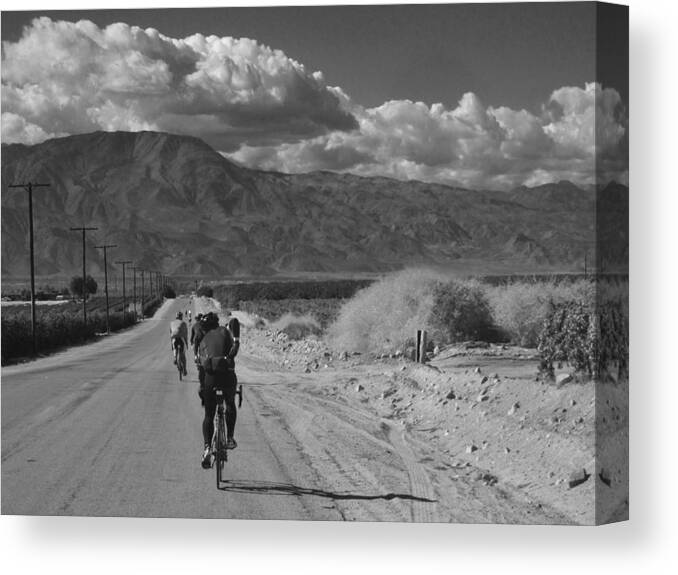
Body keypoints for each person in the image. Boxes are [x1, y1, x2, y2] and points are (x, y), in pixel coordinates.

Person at [197, 312, 240, 468]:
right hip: (227, 377)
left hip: (210, 379)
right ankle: (229, 438)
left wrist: (202, 388)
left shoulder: (202, 341)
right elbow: (233, 351)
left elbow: (201, 371)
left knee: (209, 414)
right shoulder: (226, 332)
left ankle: (207, 447)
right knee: (230, 403)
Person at [169, 311, 188, 376]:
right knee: (183, 355)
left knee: (174, 348)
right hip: (181, 339)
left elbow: (171, 334)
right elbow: (185, 335)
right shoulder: (183, 323)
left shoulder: (171, 323)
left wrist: (172, 345)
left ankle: (175, 358)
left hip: (174, 339)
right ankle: (185, 370)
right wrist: (186, 344)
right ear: (181, 316)